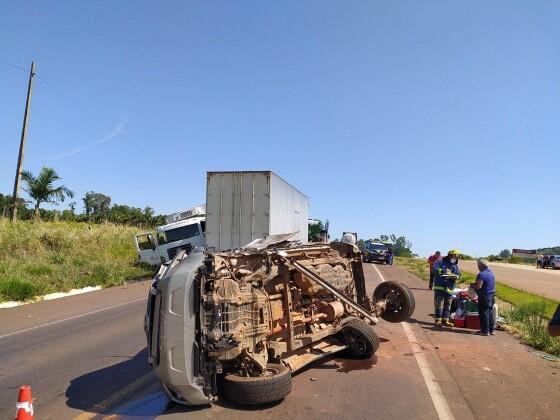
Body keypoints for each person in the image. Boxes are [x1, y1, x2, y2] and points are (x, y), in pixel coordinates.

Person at [432, 249, 460, 327]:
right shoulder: (441, 261)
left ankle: (445, 321)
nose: (456, 258)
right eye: (454, 256)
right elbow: (434, 268)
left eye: (457, 256)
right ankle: (438, 321)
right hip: (440, 287)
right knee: (439, 305)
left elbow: (458, 274)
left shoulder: (455, 265)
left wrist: (456, 276)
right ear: (450, 255)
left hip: (450, 288)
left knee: (448, 305)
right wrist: (443, 271)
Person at [470, 258, 496, 336]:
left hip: (484, 296)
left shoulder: (481, 274)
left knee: (483, 313)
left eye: (478, 265)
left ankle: (485, 331)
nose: (478, 267)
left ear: (481, 265)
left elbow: (479, 286)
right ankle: (491, 330)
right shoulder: (491, 273)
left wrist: (472, 285)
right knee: (490, 313)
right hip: (492, 295)